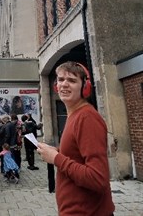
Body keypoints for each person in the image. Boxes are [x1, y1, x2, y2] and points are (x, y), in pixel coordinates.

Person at [37, 61, 115, 216]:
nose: (64, 84)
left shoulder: (87, 118)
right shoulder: (75, 114)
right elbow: (78, 156)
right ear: (55, 85)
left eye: (72, 80)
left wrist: (57, 158)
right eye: (60, 80)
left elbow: (98, 178)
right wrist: (57, 152)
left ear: (85, 88)